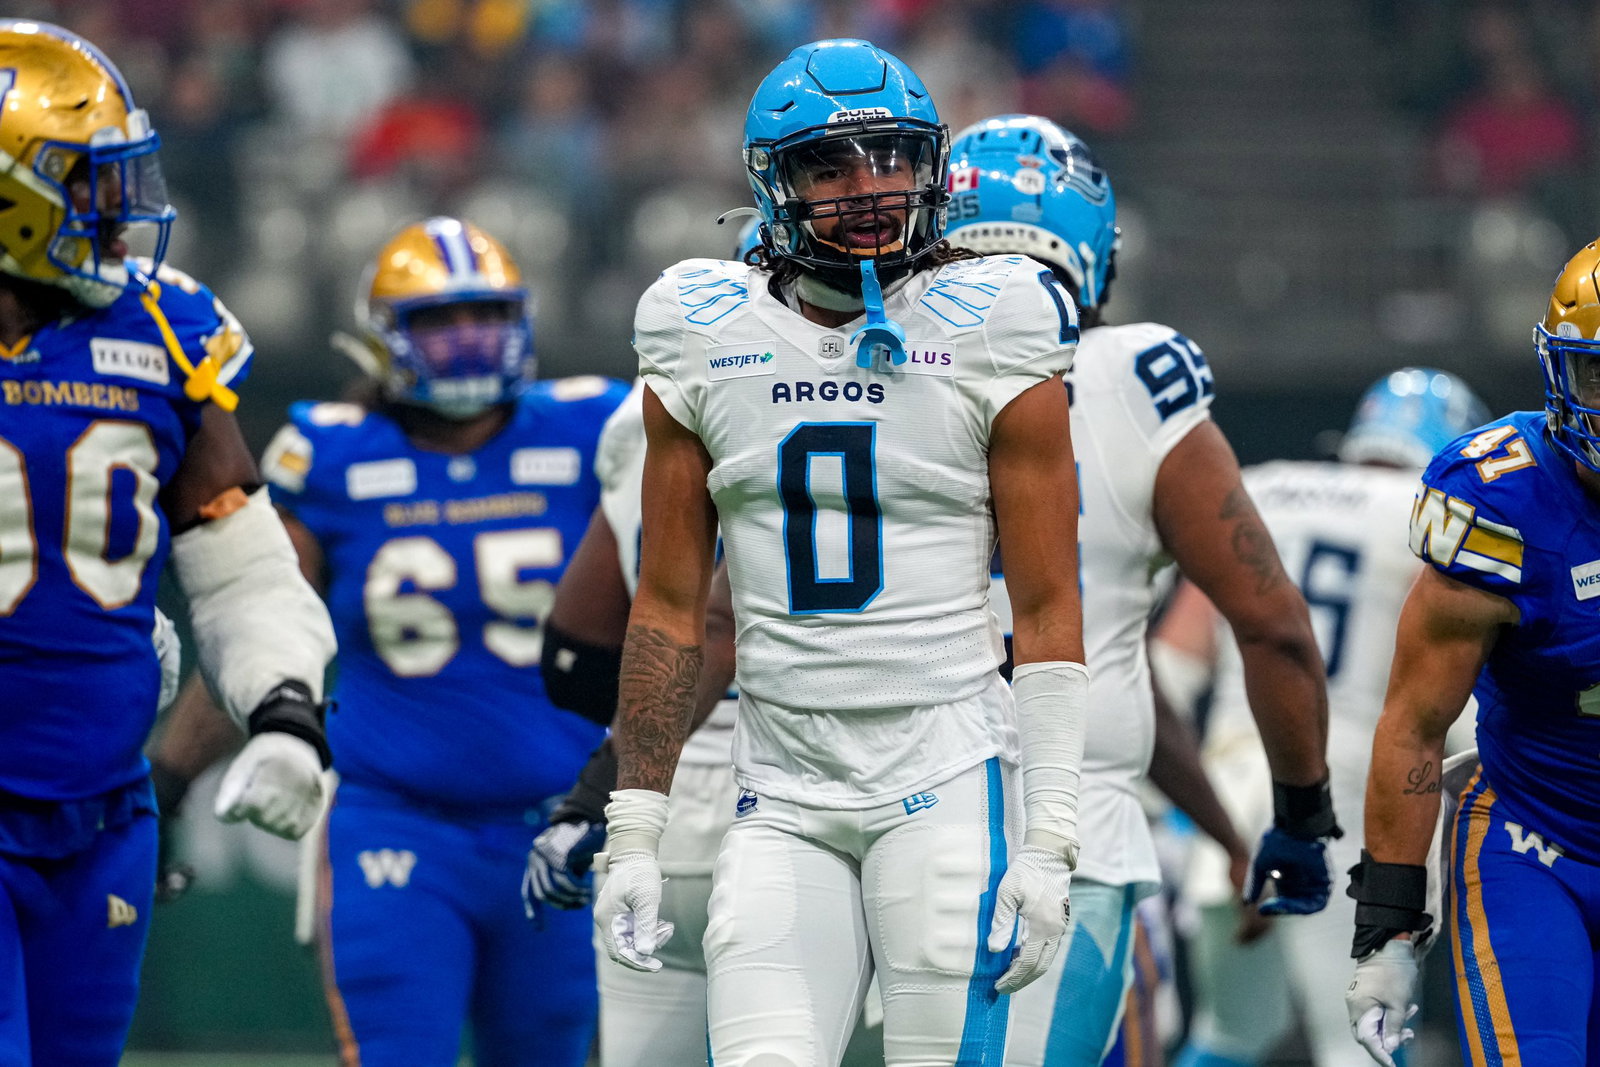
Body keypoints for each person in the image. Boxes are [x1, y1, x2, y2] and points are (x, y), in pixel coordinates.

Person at [597, 38, 1086, 1065]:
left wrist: (1050, 836)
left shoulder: (995, 317)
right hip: (779, 788)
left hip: (947, 772)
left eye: (893, 157)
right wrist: (634, 823)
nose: (871, 189)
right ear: (773, 185)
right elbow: (670, 605)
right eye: (831, 166)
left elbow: (1046, 608)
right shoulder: (698, 326)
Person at [943, 113, 1337, 1066]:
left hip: (860, 810)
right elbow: (1273, 627)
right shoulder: (1130, 378)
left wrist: (1226, 830)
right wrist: (1298, 817)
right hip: (1067, 832)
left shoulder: (861, 367)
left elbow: (1113, 664)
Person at [0, 21, 337, 1065]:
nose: (119, 207)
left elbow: (239, 564)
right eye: (87, 181)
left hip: (101, 810)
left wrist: (284, 708)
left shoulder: (159, 327)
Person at [253, 217, 629, 1066]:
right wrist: (172, 772)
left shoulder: (593, 427)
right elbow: (263, 616)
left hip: (562, 822)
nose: (468, 338)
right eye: (438, 319)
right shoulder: (328, 452)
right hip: (396, 818)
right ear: (383, 335)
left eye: (487, 314)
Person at [1152, 368, 1490, 1067]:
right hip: (1357, 799)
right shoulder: (1435, 517)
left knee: (1230, 1035)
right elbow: (1466, 714)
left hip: (1232, 800)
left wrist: (1165, 804)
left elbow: (1170, 669)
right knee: (1364, 1041)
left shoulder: (1264, 489)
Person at [1344, 240, 1600, 1066]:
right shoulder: (1503, 499)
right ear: (1559, 372)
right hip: (1536, 841)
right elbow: (1416, 722)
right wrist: (1386, 925)